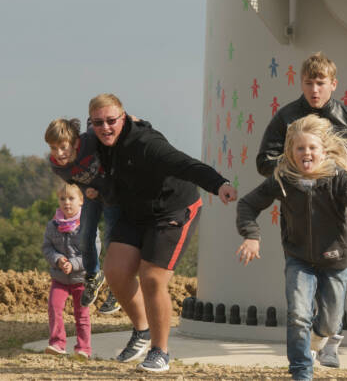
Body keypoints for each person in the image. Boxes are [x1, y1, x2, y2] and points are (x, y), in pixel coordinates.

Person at [90, 94, 237, 372]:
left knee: (152, 279)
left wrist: (219, 184)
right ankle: (142, 330)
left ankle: (160, 351)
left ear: (123, 117)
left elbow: (186, 164)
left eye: (111, 121)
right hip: (135, 211)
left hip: (172, 210)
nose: (105, 128)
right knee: (116, 273)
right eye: (98, 122)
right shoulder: (96, 140)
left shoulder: (147, 145)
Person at [256, 52, 347, 364]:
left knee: (334, 274)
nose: (315, 89)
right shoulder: (286, 117)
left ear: (333, 85)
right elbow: (263, 160)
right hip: (298, 207)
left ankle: (329, 339)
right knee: (303, 281)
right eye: (309, 83)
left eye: (321, 83)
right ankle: (306, 355)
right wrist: (295, 166)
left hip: (336, 203)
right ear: (300, 83)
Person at [236, 114, 347, 381]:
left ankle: (320, 336)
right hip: (298, 258)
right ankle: (301, 372)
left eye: (312, 148)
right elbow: (247, 205)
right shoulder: (284, 179)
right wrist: (251, 235)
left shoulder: (338, 178)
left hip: (335, 261)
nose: (306, 153)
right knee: (297, 315)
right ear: (291, 152)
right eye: (300, 148)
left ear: (324, 150)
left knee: (330, 322)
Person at [44, 118, 120, 314]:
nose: (58, 153)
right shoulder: (57, 166)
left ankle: (118, 286)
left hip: (112, 194)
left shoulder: (88, 140)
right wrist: (87, 189)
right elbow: (75, 182)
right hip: (92, 195)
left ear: (75, 142)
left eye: (62, 147)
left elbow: (100, 125)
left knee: (112, 239)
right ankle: (94, 276)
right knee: (85, 236)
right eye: (53, 148)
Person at [41, 183, 97, 358]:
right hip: (60, 278)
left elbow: (93, 252)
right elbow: (47, 248)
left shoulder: (87, 226)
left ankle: (83, 349)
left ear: (81, 201)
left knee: (81, 315)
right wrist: (58, 260)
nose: (67, 203)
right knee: (54, 307)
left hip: (80, 279)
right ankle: (57, 343)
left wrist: (73, 263)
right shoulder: (52, 226)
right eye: (62, 199)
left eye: (71, 198)